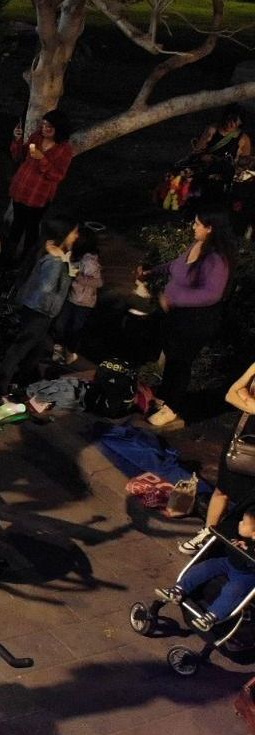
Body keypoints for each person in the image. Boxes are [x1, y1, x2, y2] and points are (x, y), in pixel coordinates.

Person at [142, 208, 235, 428]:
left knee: (181, 362)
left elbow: (212, 294)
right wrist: (152, 272)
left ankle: (172, 407)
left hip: (196, 321)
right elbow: (175, 266)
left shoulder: (216, 260)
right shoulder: (197, 245)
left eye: (197, 224)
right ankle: (163, 396)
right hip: (178, 317)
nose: (193, 227)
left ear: (210, 228)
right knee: (172, 357)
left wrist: (174, 299)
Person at [0, 216, 80, 399]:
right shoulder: (54, 261)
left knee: (36, 350)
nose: (76, 236)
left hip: (39, 311)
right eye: (74, 233)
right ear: (63, 234)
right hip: (39, 311)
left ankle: (22, 383)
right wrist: (64, 270)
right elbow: (47, 287)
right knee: (21, 348)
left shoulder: (49, 255)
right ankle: (1, 388)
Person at [180, 362, 255, 554]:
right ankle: (208, 532)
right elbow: (231, 394)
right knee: (222, 488)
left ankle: (241, 542)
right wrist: (247, 401)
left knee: (249, 500)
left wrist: (245, 397)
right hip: (242, 436)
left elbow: (240, 394)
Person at [159, 502, 255, 631]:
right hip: (228, 562)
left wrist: (248, 550)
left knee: (233, 591)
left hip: (246, 575)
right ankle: (179, 589)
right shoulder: (241, 534)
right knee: (204, 567)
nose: (240, 523)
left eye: (243, 523)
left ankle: (213, 615)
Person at [5, 109, 74, 267]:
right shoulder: (36, 137)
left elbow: (57, 175)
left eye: (49, 127)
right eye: (43, 125)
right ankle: (7, 256)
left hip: (38, 196)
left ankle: (25, 261)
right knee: (17, 223)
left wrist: (42, 159)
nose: (44, 129)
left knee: (31, 227)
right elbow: (19, 156)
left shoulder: (64, 150)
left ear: (59, 129)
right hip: (21, 189)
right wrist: (17, 139)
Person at [51, 234, 101, 365]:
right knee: (61, 324)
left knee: (75, 328)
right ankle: (59, 350)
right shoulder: (75, 256)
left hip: (84, 302)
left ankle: (69, 353)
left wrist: (78, 277)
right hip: (71, 297)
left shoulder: (91, 261)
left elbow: (98, 282)